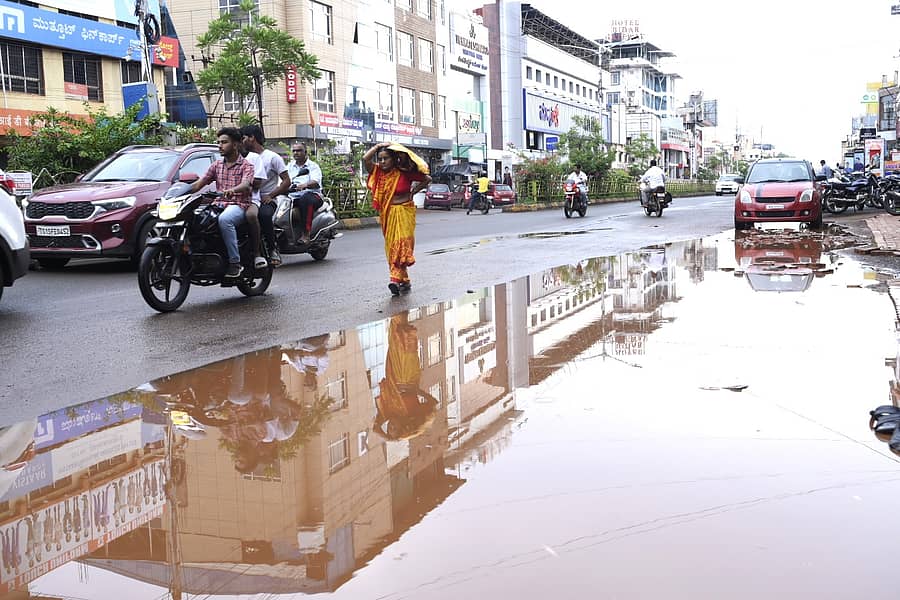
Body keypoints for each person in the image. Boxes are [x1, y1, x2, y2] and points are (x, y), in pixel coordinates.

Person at [363, 142, 431, 295]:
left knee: (401, 245)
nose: (382, 162)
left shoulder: (404, 172)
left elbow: (427, 179)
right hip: (388, 214)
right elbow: (366, 159)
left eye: (386, 158)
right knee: (391, 246)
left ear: (393, 159)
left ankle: (394, 279)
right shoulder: (378, 172)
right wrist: (378, 146)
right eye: (380, 159)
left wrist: (414, 191)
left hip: (405, 212)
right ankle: (404, 280)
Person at [189, 127, 255, 278]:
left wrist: (233, 190)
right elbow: (200, 183)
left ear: (235, 144)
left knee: (225, 220)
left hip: (239, 204)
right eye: (218, 142)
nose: (220, 146)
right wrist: (179, 191)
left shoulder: (246, 165)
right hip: (218, 204)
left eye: (224, 142)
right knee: (195, 219)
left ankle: (235, 263)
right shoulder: (216, 165)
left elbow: (246, 184)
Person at [372, 312, 439, 441]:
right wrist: (417, 391)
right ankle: (400, 313)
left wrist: (390, 438)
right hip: (408, 377)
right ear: (402, 427)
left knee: (393, 342)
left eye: (389, 429)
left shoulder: (388, 414)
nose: (390, 426)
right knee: (403, 342)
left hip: (393, 377)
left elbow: (375, 428)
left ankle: (399, 314)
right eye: (394, 428)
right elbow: (433, 404)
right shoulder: (414, 416)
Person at [241, 125, 290, 266]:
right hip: (247, 198)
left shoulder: (272, 157)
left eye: (243, 138)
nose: (241, 141)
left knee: (264, 215)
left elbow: (286, 181)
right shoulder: (243, 158)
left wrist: (270, 195)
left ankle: (272, 248)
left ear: (252, 138)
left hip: (266, 199)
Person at [287, 143, 324, 244]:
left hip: (313, 195)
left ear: (305, 152)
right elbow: (284, 180)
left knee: (306, 199)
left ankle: (306, 234)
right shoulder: (289, 166)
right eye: (294, 151)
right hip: (293, 197)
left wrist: (305, 185)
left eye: (299, 150)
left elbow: (315, 181)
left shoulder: (313, 166)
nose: (296, 153)